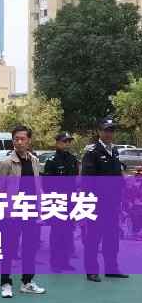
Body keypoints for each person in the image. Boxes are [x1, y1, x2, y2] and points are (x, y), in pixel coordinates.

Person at [0, 125, 46, 298]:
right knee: (9, 250)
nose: (19, 142)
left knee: (30, 249)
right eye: (16, 139)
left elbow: (37, 187)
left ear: (29, 140)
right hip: (12, 214)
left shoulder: (34, 161)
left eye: (22, 139)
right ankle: (5, 283)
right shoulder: (6, 163)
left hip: (31, 212)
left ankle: (27, 282)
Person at [81, 117, 129, 282]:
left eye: (111, 130)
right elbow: (87, 181)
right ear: (99, 132)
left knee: (112, 237)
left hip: (113, 204)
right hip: (97, 204)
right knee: (93, 238)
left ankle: (111, 268)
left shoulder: (114, 151)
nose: (109, 133)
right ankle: (92, 271)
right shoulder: (92, 152)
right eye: (106, 130)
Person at [44, 132, 79, 272]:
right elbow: (46, 184)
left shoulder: (72, 159)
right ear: (57, 142)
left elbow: (76, 180)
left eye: (69, 141)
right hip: (57, 201)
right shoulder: (52, 160)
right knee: (57, 232)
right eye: (64, 141)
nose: (67, 144)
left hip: (70, 200)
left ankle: (65, 261)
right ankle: (55, 263)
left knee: (68, 232)